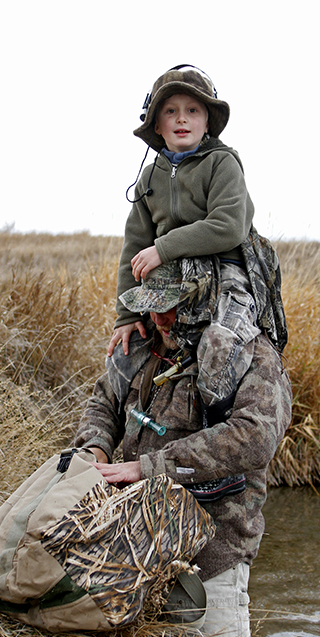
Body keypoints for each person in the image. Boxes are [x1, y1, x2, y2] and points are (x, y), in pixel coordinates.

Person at [77, 259, 292, 637]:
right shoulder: (143, 346)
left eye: (171, 307)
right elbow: (104, 401)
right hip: (138, 551)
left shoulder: (249, 356)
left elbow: (255, 437)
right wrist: (92, 453)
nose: (159, 319)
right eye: (150, 308)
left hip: (214, 557)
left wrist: (148, 468)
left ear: (199, 300)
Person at [108, 63, 267, 409]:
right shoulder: (149, 177)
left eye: (193, 110)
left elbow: (228, 225)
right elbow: (134, 249)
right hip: (167, 280)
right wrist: (127, 316)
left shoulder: (222, 163)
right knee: (125, 351)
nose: (182, 119)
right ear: (157, 125)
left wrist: (163, 249)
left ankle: (216, 423)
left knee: (219, 347)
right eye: (171, 111)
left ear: (207, 122)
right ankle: (121, 425)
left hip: (225, 272)